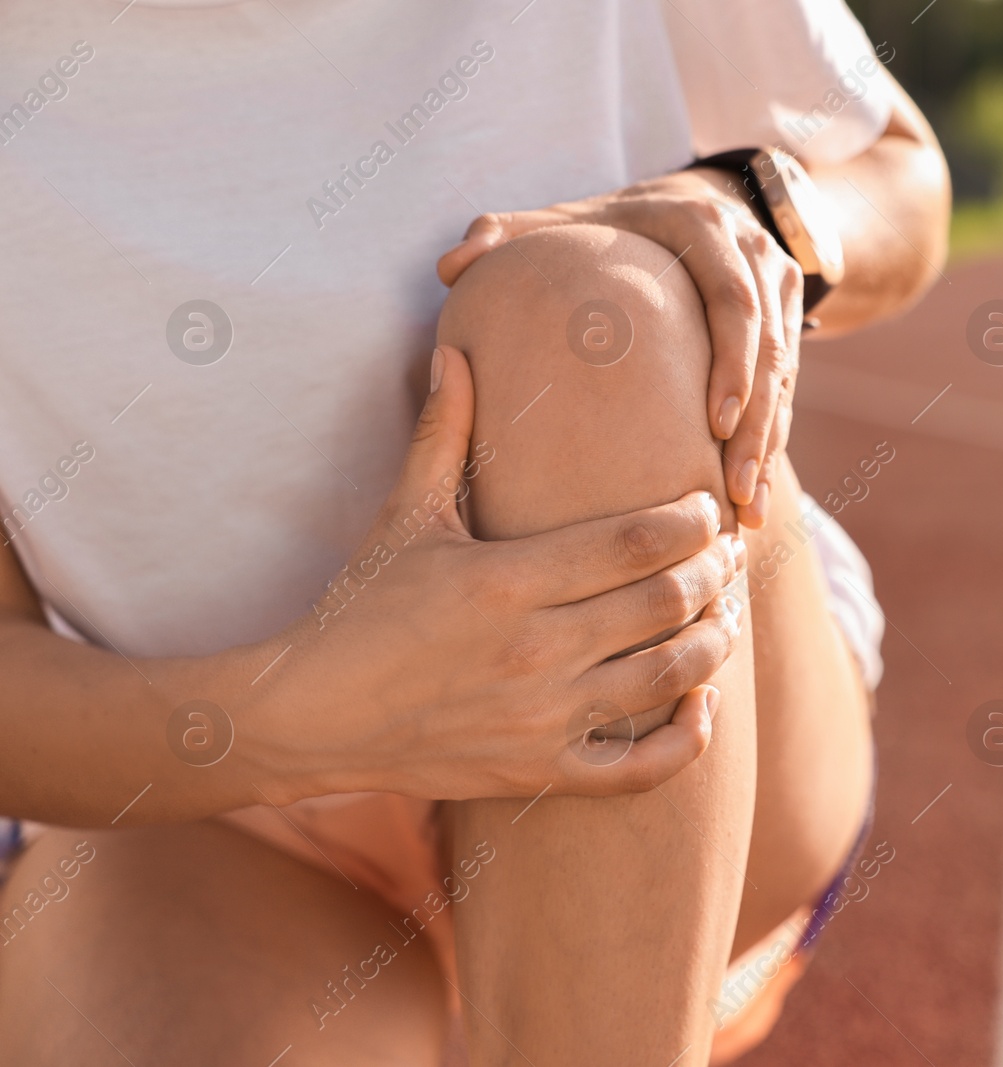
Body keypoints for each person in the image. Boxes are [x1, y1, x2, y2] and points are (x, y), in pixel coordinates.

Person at [0, 1, 949, 1064]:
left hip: (698, 717)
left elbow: (902, 174)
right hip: (213, 794)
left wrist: (757, 211)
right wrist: (310, 712)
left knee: (602, 305)